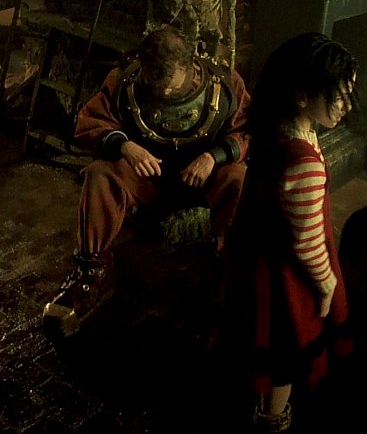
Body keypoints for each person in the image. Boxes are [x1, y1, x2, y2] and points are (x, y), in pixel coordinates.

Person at [41, 25, 251, 341]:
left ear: (191, 66)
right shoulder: (124, 81)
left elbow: (248, 130)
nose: (163, 93)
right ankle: (91, 271)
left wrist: (214, 156)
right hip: (147, 180)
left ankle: (230, 269)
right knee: (100, 173)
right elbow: (89, 123)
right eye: (155, 84)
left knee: (237, 177)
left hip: (203, 182)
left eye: (172, 85)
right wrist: (126, 146)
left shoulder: (225, 84)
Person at [224, 32, 357, 433]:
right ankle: (272, 419)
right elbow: (307, 242)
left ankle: (262, 407)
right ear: (301, 95)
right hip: (286, 278)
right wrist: (327, 284)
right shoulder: (303, 162)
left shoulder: (278, 129)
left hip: (257, 258)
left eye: (349, 93)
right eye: (337, 95)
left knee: (265, 343)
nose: (347, 106)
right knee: (286, 353)